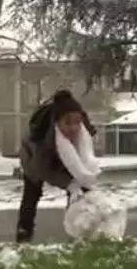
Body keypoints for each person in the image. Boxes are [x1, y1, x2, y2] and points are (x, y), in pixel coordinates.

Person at [16, 89, 101, 243]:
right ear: (56, 121)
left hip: (65, 159)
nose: (73, 127)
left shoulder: (84, 134)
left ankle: (79, 231)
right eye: (67, 122)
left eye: (77, 122)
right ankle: (24, 232)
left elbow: (86, 163)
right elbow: (43, 170)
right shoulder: (41, 138)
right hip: (34, 160)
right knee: (31, 193)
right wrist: (69, 184)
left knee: (80, 193)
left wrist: (82, 183)